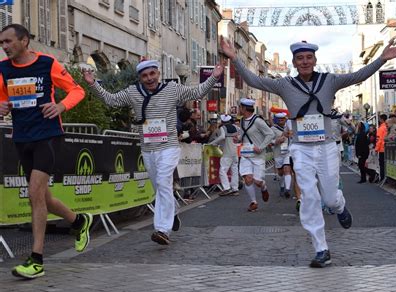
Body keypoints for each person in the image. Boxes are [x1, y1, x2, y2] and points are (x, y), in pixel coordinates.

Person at [220, 35, 396, 267]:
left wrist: (382, 59)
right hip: (301, 148)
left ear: (315, 59)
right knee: (309, 197)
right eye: (300, 58)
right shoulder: (284, 85)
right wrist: (234, 58)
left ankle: (339, 205)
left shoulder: (330, 80)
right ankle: (321, 248)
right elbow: (254, 80)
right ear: (294, 62)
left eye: (309, 57)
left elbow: (359, 75)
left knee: (329, 197)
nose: (305, 61)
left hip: (326, 146)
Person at [82, 58, 224, 245]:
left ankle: (162, 229)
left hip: (169, 146)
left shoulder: (172, 89)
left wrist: (213, 77)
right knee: (159, 186)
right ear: (140, 77)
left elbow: (196, 92)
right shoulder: (133, 92)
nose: (149, 78)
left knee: (163, 180)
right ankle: (172, 211)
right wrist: (93, 84)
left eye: (152, 74)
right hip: (148, 148)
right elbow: (111, 100)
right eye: (144, 75)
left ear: (158, 73)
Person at [0, 24, 92, 279]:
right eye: (2, 43)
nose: (4, 47)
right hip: (22, 137)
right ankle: (79, 221)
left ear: (24, 40)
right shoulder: (3, 69)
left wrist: (61, 106)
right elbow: (0, 98)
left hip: (48, 136)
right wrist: (2, 106)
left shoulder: (47, 63)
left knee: (34, 194)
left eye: (8, 41)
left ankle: (37, 259)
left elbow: (77, 90)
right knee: (44, 198)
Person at [237, 98, 274, 212]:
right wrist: (237, 138)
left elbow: (270, 134)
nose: (239, 109)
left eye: (240, 107)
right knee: (248, 179)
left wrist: (261, 147)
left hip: (258, 155)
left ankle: (264, 187)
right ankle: (253, 202)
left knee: (257, 182)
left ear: (244, 108)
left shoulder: (258, 121)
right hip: (246, 154)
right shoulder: (242, 120)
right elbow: (244, 135)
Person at [209, 114, 239, 196]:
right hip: (235, 152)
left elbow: (222, 137)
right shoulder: (236, 127)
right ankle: (235, 189)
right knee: (234, 171)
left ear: (222, 121)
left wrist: (213, 143)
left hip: (227, 153)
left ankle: (227, 188)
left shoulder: (223, 128)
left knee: (222, 171)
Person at [271, 112, 292, 198]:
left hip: (288, 152)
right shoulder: (273, 129)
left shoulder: (290, 127)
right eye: (279, 119)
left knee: (287, 169)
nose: (281, 121)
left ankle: (287, 189)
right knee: (280, 172)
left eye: (282, 119)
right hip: (278, 152)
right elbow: (269, 140)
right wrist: (276, 141)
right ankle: (282, 186)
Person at [375, 114, 388, 182]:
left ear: (382, 119)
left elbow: (379, 139)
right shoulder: (387, 126)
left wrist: (376, 149)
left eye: (379, 119)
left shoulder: (381, 128)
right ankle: (385, 178)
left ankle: (382, 178)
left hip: (382, 149)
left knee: (382, 164)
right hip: (387, 148)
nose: (379, 120)